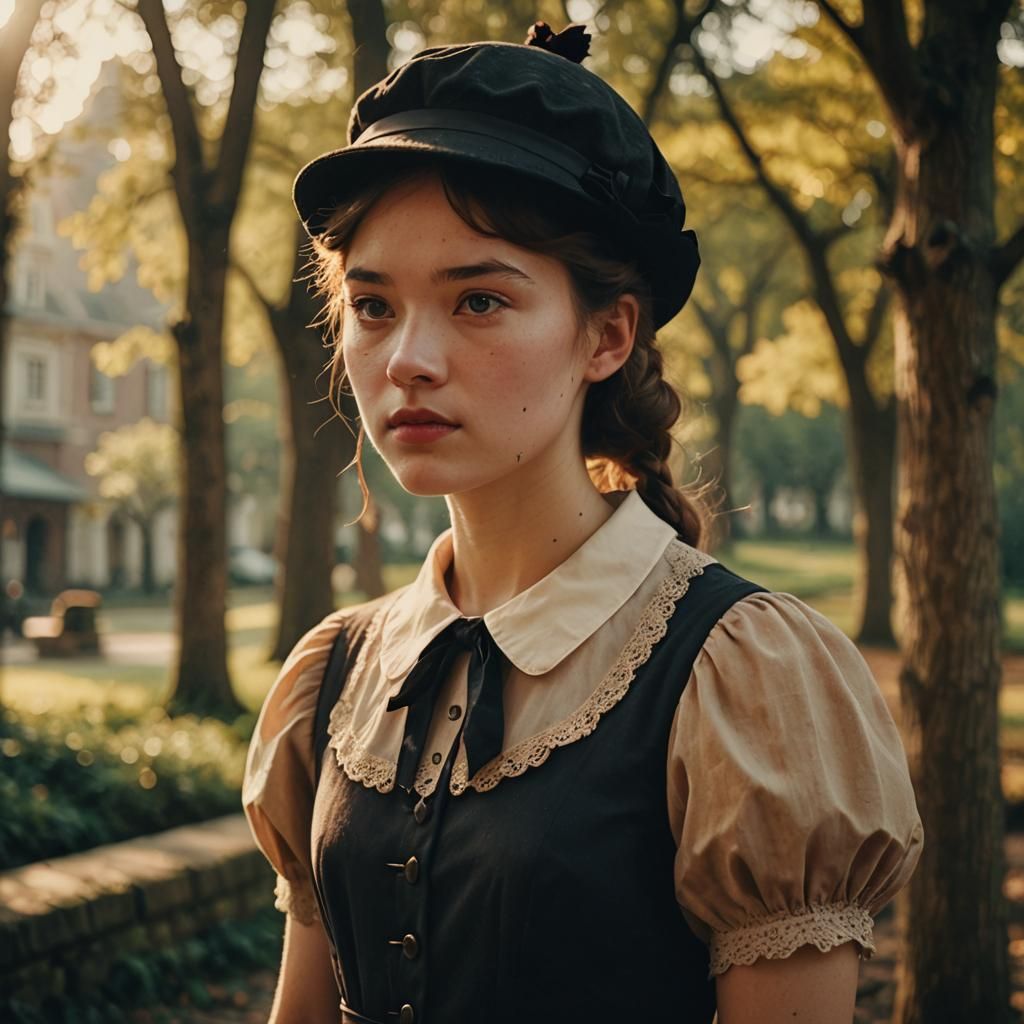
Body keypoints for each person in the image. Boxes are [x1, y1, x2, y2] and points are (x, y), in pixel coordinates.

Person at [242, 23, 923, 1024]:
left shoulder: (737, 675)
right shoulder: (334, 675)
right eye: (373, 304)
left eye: (477, 299)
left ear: (607, 335)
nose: (406, 360)